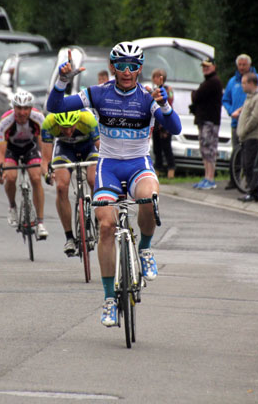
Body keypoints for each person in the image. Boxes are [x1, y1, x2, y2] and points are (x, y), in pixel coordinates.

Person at [46, 42, 181, 327]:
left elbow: (175, 128)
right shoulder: (98, 93)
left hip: (137, 165)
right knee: (106, 226)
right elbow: (55, 107)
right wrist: (62, 81)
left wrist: (165, 105)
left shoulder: (147, 97)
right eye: (122, 65)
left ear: (140, 68)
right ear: (113, 67)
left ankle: (144, 248)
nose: (128, 71)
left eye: (133, 66)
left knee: (149, 198)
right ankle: (109, 298)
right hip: (108, 167)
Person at [40, 110, 100, 256]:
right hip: (65, 149)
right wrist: (47, 174)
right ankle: (69, 238)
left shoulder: (88, 119)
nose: (67, 131)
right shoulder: (49, 122)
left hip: (88, 147)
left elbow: (102, 149)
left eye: (71, 127)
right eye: (63, 127)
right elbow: (45, 160)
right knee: (61, 187)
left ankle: (98, 220)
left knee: (94, 180)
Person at [0, 90, 48, 240]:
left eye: (26, 109)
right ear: (14, 108)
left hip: (31, 147)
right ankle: (12, 206)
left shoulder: (39, 118)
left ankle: (40, 222)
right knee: (10, 177)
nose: (22, 112)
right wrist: (0, 171)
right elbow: (0, 153)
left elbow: (44, 145)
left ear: (31, 109)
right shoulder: (5, 122)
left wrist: (45, 166)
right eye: (19, 108)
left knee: (36, 178)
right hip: (11, 149)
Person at [222, 54, 258, 189]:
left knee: (250, 158)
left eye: (244, 65)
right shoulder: (232, 81)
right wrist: (231, 111)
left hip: (250, 126)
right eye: (239, 65)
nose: (241, 67)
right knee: (237, 152)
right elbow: (225, 99)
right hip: (237, 123)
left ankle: (250, 184)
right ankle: (234, 180)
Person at [191, 57, 223, 189]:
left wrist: (195, 94)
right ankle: (206, 176)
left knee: (209, 149)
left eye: (208, 66)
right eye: (203, 66)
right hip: (204, 120)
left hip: (210, 121)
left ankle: (210, 178)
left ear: (214, 67)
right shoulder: (208, 81)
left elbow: (197, 96)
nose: (205, 69)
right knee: (204, 149)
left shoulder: (213, 82)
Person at [235, 73, 258, 202]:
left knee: (253, 165)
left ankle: (255, 192)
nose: (242, 86)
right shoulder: (250, 97)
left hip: (254, 136)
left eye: (244, 83)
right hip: (246, 137)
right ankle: (251, 190)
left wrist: (244, 129)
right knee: (246, 165)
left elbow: (256, 117)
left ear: (251, 83)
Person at [149, 68, 176, 179]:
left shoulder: (168, 89)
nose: (155, 79)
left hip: (165, 123)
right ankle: (158, 168)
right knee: (157, 148)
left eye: (157, 77)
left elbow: (170, 102)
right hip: (156, 122)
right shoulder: (153, 90)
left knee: (166, 147)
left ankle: (171, 169)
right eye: (154, 77)